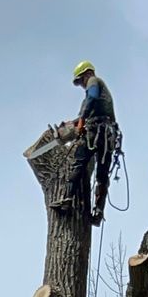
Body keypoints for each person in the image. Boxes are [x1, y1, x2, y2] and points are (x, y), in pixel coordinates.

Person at [52, 61, 118, 225]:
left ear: (86, 74)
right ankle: (98, 212)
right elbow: (91, 108)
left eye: (81, 80)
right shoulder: (101, 92)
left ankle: (66, 199)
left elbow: (92, 97)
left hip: (96, 132)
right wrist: (74, 123)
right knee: (102, 176)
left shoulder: (93, 82)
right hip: (108, 135)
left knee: (77, 163)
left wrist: (81, 121)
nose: (82, 85)